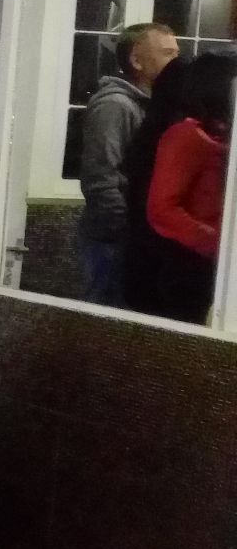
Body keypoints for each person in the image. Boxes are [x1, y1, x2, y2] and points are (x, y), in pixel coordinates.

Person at [124, 52, 234, 325]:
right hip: (190, 265)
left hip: (212, 264)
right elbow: (162, 208)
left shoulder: (220, 134)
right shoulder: (187, 134)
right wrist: (216, 243)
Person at [79, 23, 179, 308]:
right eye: (167, 53)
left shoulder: (149, 104)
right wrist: (125, 230)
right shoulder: (115, 106)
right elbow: (100, 177)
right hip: (112, 240)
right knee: (107, 318)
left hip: (128, 237)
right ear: (136, 60)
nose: (177, 62)